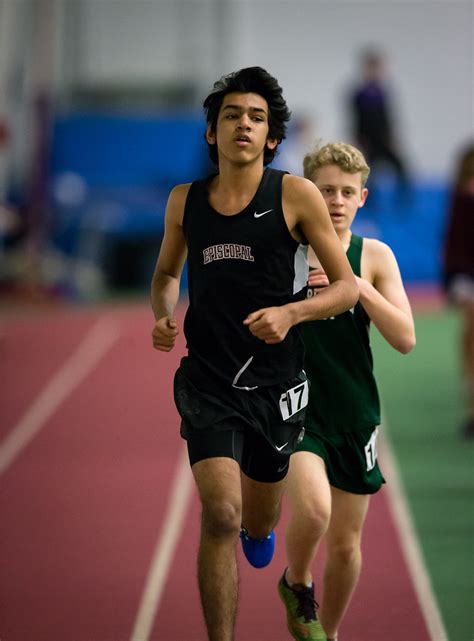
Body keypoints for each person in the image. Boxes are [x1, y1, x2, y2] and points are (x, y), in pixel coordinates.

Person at [150, 68, 359, 641]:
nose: (243, 123)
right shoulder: (185, 201)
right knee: (221, 514)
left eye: (256, 117)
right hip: (209, 381)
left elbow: (345, 288)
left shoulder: (295, 195)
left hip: (276, 383)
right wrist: (163, 312)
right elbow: (168, 272)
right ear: (212, 133)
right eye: (232, 115)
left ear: (271, 137)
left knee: (259, 520)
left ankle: (262, 533)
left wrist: (292, 314)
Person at [278, 142, 416, 641]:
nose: (335, 200)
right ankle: (296, 581)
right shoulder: (283, 252)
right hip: (295, 408)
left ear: (362, 197)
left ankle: (328, 634)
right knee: (314, 510)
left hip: (355, 410)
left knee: (345, 544)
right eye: (325, 190)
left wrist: (357, 286)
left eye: (346, 192)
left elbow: (404, 338)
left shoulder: (375, 256)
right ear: (308, 192)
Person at [348, 48, 411, 202]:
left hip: (384, 140)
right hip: (368, 141)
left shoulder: (383, 92)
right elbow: (356, 119)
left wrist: (392, 138)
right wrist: (360, 139)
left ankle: (403, 200)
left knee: (401, 167)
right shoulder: (359, 93)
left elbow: (388, 117)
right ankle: (368, 202)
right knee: (368, 173)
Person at [442, 142, 474, 438]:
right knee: (471, 339)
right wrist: (456, 279)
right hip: (469, 276)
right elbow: (454, 239)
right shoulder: (462, 196)